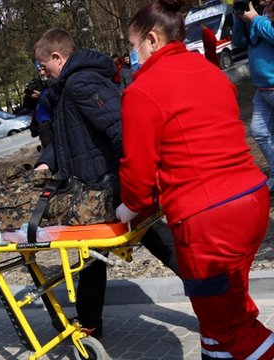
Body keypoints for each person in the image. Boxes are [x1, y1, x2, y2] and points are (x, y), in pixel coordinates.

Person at [118, 0, 274, 358]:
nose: (132, 55)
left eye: (133, 45)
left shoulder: (142, 92)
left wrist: (127, 209)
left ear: (153, 40)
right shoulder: (209, 72)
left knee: (228, 327)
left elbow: (137, 177)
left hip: (210, 219)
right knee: (224, 317)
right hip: (250, 200)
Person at [33, 27, 179, 339]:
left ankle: (213, 292)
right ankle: (89, 323)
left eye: (42, 66)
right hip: (97, 189)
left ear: (57, 57)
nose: (42, 73)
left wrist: (127, 185)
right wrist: (46, 161)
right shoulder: (69, 87)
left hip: (108, 188)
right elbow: (68, 137)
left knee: (156, 242)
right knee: (93, 257)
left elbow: (121, 128)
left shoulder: (79, 83)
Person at [233, 0, 274, 190]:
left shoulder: (264, 14)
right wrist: (240, 20)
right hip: (262, 88)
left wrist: (256, 19)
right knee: (259, 131)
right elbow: (238, 43)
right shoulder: (258, 12)